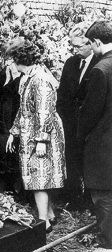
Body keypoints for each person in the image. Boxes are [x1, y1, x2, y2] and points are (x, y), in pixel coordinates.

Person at [5, 38, 67, 232]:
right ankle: (49, 214)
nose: (11, 64)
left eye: (12, 59)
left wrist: (42, 139)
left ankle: (43, 223)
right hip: (32, 131)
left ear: (19, 59)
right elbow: (23, 110)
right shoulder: (28, 77)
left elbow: (44, 110)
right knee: (40, 175)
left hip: (42, 132)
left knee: (39, 176)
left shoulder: (40, 78)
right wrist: (13, 132)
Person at [56, 22, 99, 209]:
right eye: (73, 46)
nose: (75, 50)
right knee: (71, 161)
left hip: (90, 125)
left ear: (90, 44)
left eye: (78, 46)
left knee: (89, 163)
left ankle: (90, 201)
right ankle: (73, 199)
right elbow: (63, 94)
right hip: (71, 124)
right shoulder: (71, 63)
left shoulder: (100, 65)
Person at [78, 20, 112, 249]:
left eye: (90, 44)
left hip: (103, 144)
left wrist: (80, 136)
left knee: (103, 194)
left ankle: (108, 241)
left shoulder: (101, 70)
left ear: (97, 42)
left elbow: (90, 113)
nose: (91, 48)